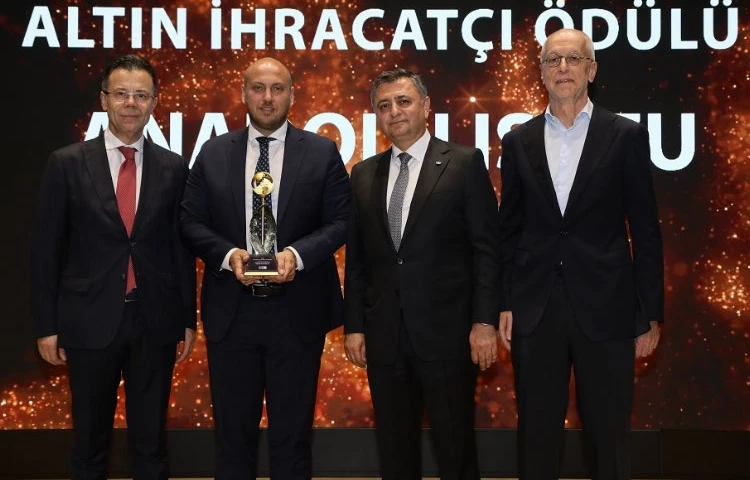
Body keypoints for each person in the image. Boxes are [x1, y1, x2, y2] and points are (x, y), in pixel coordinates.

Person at [496, 28, 664, 480]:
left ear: (592, 69)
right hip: (535, 309)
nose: (563, 68)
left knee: (609, 436)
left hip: (608, 307)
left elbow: (645, 229)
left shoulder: (625, 135)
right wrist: (505, 301)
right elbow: (508, 231)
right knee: (537, 437)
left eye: (573, 58)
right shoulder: (518, 140)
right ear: (541, 73)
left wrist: (650, 313)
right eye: (553, 60)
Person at [179, 57, 350, 479]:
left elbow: (342, 220)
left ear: (292, 95)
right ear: (243, 93)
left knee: (292, 441)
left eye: (277, 88)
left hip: (297, 313)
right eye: (258, 88)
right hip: (232, 313)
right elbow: (189, 221)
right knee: (232, 441)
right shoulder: (213, 152)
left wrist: (297, 254)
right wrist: (228, 255)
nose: (268, 97)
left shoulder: (322, 152)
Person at [31, 54, 197, 479]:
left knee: (151, 444)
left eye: (141, 95)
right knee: (89, 443)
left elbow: (180, 249)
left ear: (154, 102)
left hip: (154, 321)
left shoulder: (174, 167)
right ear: (104, 99)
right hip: (87, 321)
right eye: (121, 94)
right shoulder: (66, 163)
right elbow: (47, 251)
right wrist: (46, 325)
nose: (131, 103)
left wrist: (186, 319)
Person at [344, 68, 501, 480]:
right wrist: (354, 326)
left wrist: (485, 322)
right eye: (384, 105)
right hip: (385, 339)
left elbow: (487, 251)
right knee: (395, 455)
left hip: (448, 336)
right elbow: (358, 260)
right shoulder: (363, 174)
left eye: (403, 101)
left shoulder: (464, 163)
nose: (394, 111)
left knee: (455, 452)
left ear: (426, 106)